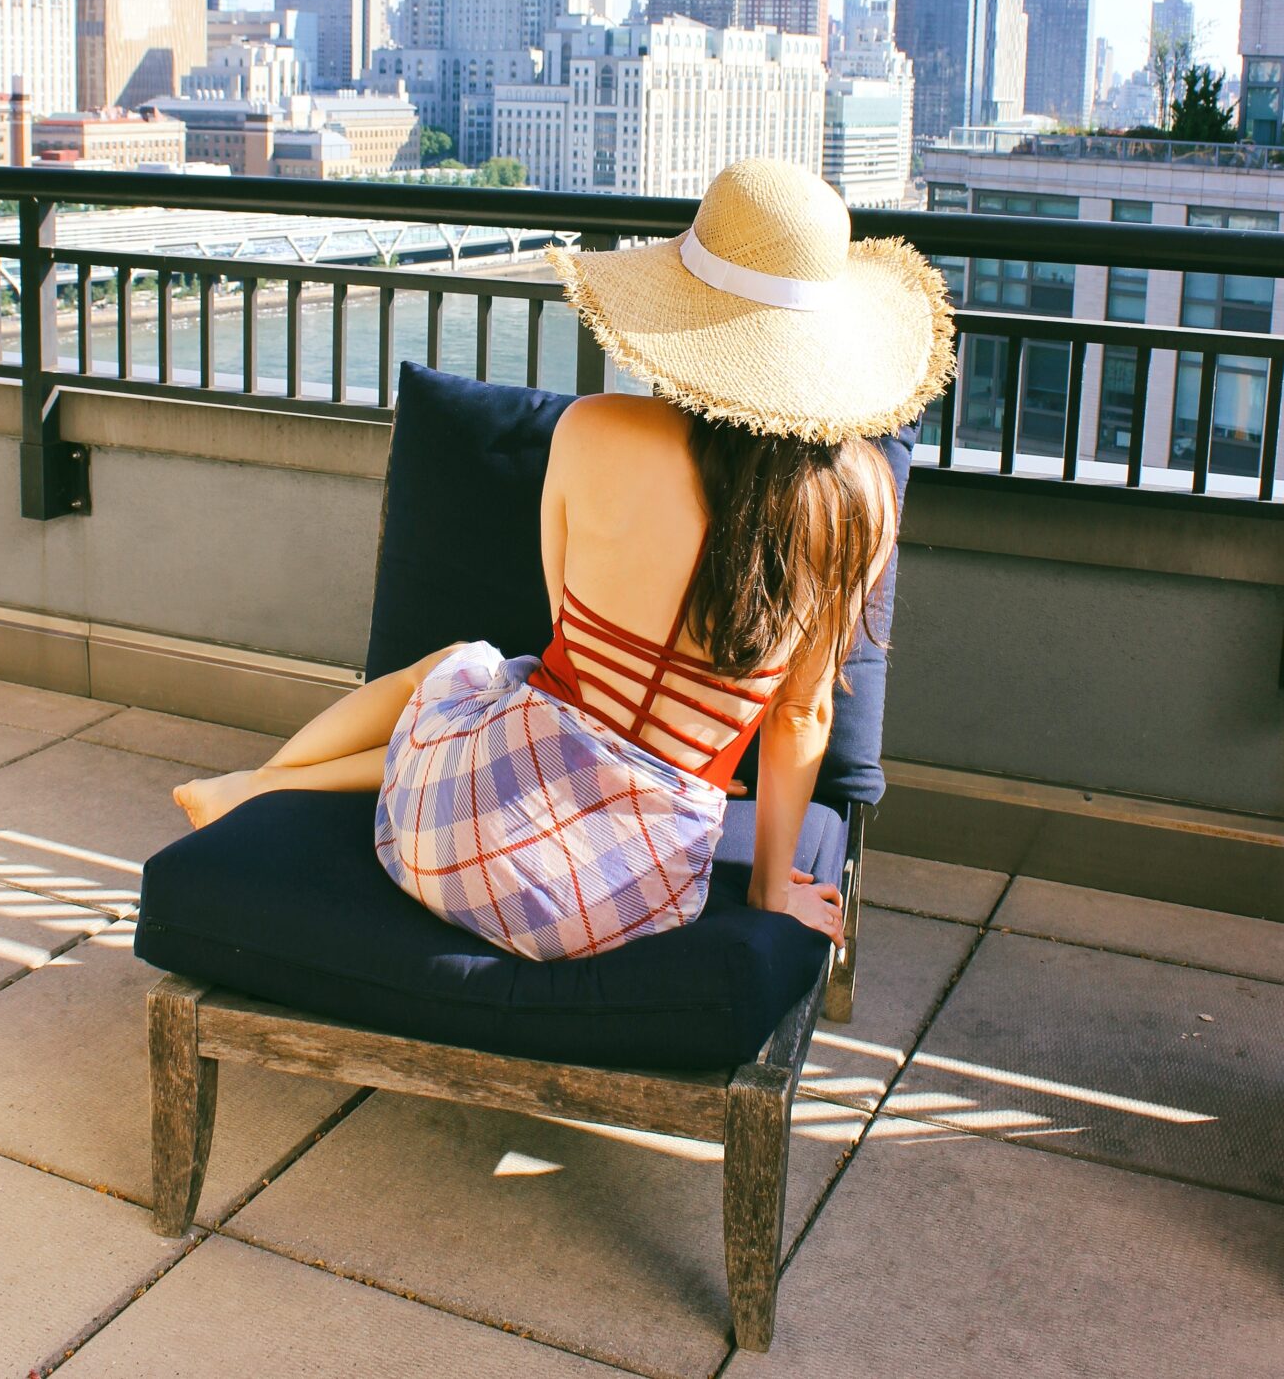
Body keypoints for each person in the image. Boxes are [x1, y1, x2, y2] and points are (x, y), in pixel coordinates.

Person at [173, 158, 954, 963]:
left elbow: (562, 641)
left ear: (686, 316)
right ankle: (253, 789)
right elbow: (801, 717)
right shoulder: (856, 497)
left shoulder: (592, 429)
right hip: (624, 902)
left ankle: (258, 786)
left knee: (467, 671)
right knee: (486, 693)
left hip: (439, 843)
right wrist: (766, 889)